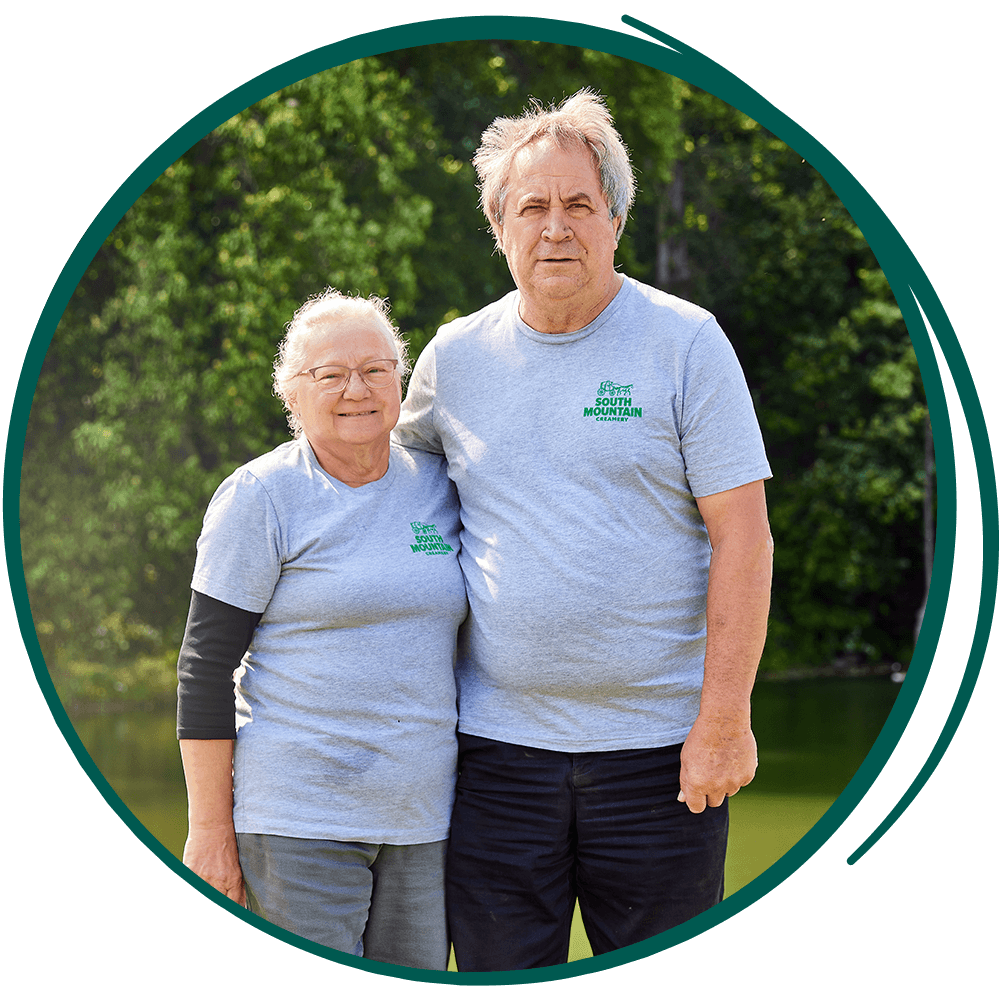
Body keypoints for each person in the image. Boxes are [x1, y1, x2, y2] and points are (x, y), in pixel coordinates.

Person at [393, 89, 774, 970]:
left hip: (661, 760)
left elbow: (744, 538)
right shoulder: (454, 359)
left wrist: (723, 720)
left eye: (577, 205)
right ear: (499, 226)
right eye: (532, 207)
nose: (554, 227)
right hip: (493, 760)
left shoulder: (686, 344)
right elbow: (387, 495)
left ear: (614, 220)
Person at [175, 289, 467, 969]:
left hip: (423, 821)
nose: (356, 390)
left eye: (375, 369)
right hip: (298, 822)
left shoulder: (441, 486)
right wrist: (210, 830)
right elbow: (203, 667)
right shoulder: (260, 497)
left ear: (401, 381)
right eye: (329, 374)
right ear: (292, 393)